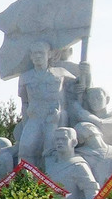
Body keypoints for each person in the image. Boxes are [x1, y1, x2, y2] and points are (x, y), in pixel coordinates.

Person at [17, 41, 77, 169]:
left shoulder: (61, 73)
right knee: (25, 148)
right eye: (34, 53)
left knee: (51, 151)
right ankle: (25, 183)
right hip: (35, 118)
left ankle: (51, 183)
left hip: (54, 118)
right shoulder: (25, 77)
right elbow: (24, 103)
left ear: (49, 54)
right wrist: (25, 122)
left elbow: (80, 87)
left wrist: (87, 73)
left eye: (41, 52)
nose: (37, 56)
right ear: (31, 56)